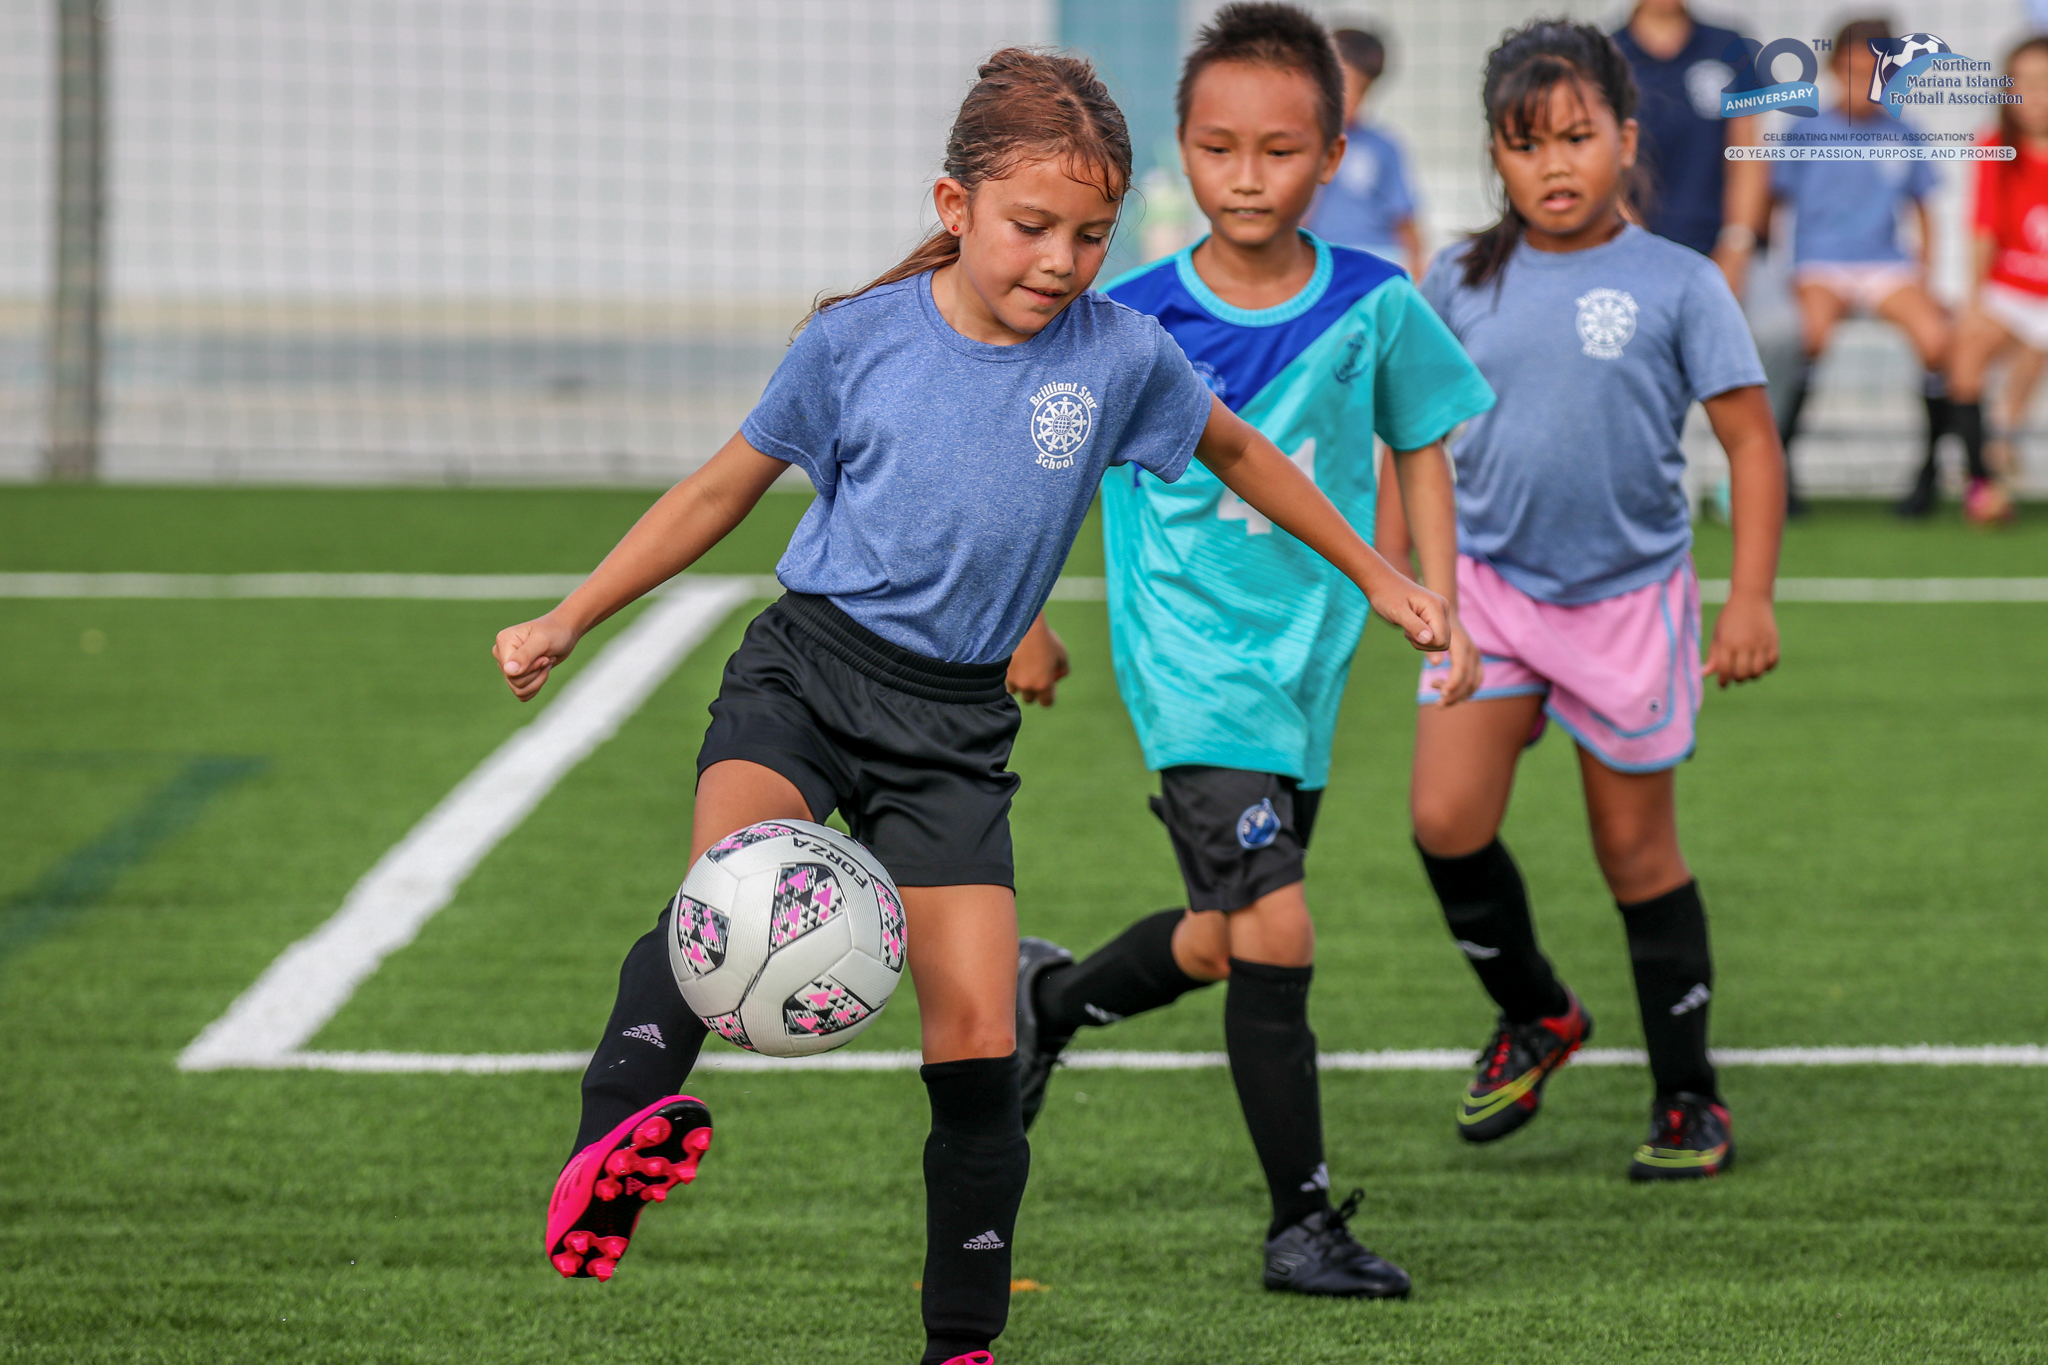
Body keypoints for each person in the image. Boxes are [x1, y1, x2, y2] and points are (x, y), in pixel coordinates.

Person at [492, 48, 1455, 1365]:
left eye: (1093, 235)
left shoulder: (1120, 356)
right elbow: (716, 493)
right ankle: (610, 1142)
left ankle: (963, 1342)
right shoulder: (855, 343)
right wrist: (570, 614)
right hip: (808, 679)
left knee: (978, 1036)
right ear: (954, 206)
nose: (1062, 259)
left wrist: (1382, 572)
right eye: (1032, 227)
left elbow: (1240, 451)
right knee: (736, 888)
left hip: (953, 736)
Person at [1003, 2, 1493, 1300]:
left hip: (1307, 666)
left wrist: (1444, 604)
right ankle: (1301, 1226)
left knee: (1230, 940)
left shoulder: (1378, 303)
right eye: (1217, 150)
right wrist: (1027, 619)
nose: (1246, 177)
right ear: (1182, 153)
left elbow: (1422, 444)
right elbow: (1041, 476)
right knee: (1279, 930)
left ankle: (1044, 1007)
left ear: (1333, 156)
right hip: (1190, 664)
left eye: (1278, 151)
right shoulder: (1126, 320)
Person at [1401, 19, 1782, 1181]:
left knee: (1634, 857)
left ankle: (1686, 1096)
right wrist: (1413, 582)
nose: (1553, 165)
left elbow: (1750, 446)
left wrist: (1748, 600)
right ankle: (1537, 1012)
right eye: (1525, 143)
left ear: (1624, 137)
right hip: (1492, 596)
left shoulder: (1679, 281)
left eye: (1576, 136)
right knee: (1443, 822)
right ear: (1493, 155)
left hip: (1627, 603)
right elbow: (1408, 437)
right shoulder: (1455, 279)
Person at [1769, 17, 1951, 518]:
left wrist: (1926, 277)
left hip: (1884, 263)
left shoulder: (1904, 131)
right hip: (1821, 261)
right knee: (1808, 337)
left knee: (1937, 341)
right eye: (1852, 71)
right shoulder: (1805, 129)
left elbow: (1923, 209)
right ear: (1831, 71)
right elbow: (1773, 204)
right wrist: (1777, 274)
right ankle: (1778, 469)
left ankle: (1928, 474)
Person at [1944, 35, 2048, 525]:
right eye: (2023, 82)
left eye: (2044, 82)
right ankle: (1981, 480)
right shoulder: (1994, 146)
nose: (2034, 94)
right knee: (1965, 350)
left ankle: (2003, 439)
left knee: (2036, 346)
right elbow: (1982, 227)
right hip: (2011, 288)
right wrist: (1976, 298)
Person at [1609, 0, 1768, 298]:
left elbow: (1747, 155)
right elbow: (1603, 166)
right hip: (1633, 250)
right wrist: (1636, 248)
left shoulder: (1729, 46)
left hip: (1717, 247)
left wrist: (1736, 246)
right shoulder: (1607, 54)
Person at [1306, 26, 1426, 280]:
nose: (1345, 99)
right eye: (1337, 86)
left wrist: (1417, 265)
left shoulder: (1383, 146)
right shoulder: (1300, 143)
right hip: (1321, 259)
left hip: (1377, 257)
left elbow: (1405, 217)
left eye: (1357, 89)